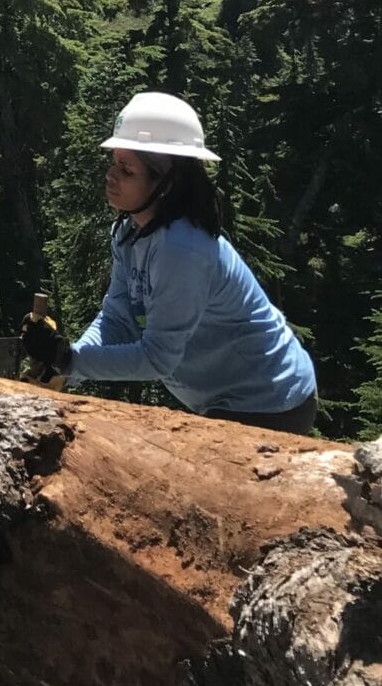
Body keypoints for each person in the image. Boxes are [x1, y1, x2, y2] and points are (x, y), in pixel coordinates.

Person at [21, 91, 318, 432]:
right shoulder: (130, 233)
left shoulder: (182, 249)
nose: (111, 175)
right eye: (114, 162)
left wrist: (69, 360)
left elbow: (157, 358)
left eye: (127, 169)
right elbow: (118, 318)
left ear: (166, 182)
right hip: (232, 398)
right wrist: (66, 364)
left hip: (270, 401)